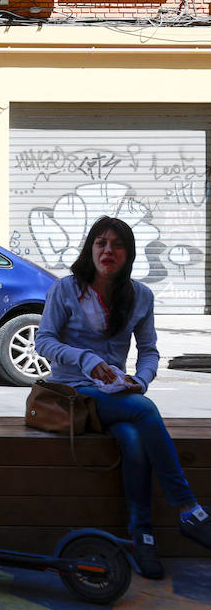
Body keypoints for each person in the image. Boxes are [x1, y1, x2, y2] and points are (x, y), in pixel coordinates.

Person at [35, 215, 211, 579]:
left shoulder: (141, 296)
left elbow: (149, 351)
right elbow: (44, 342)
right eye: (100, 243)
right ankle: (188, 508)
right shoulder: (66, 289)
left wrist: (140, 380)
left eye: (117, 244)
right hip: (73, 394)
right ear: (90, 249)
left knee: (134, 439)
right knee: (144, 412)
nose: (108, 250)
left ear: (128, 254)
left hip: (115, 396)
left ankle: (142, 536)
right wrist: (86, 359)